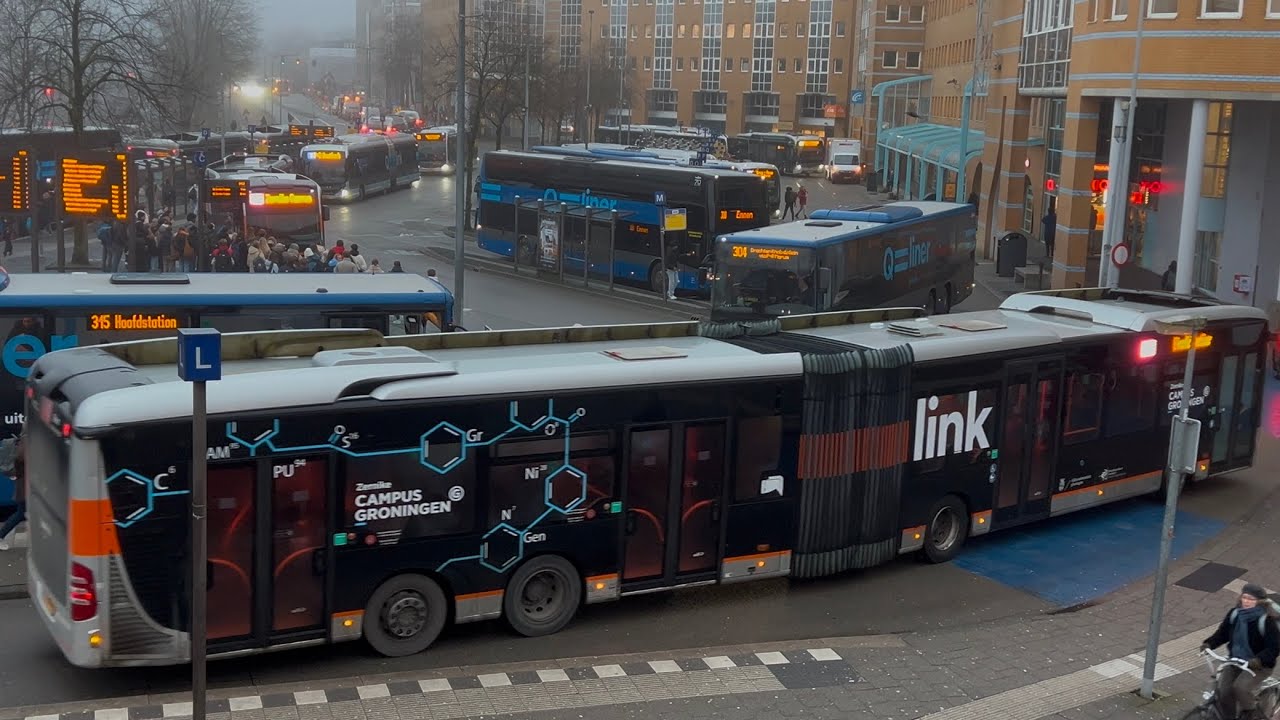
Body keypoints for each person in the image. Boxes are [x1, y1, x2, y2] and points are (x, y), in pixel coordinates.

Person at [1201, 583, 1280, 720]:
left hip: (1259, 666)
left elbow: (1274, 648)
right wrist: (1209, 643)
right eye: (1245, 597)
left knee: (1240, 688)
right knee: (1223, 690)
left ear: (1259, 602)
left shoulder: (1266, 621)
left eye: (1251, 599)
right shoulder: (1235, 614)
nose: (1247, 601)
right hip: (1236, 660)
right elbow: (1222, 633)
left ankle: (1253, 715)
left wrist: (1258, 660)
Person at [0, 436, 25, 551]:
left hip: (25, 482)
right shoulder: (26, 441)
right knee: (21, 513)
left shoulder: (25, 439)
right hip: (25, 484)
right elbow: (21, 459)